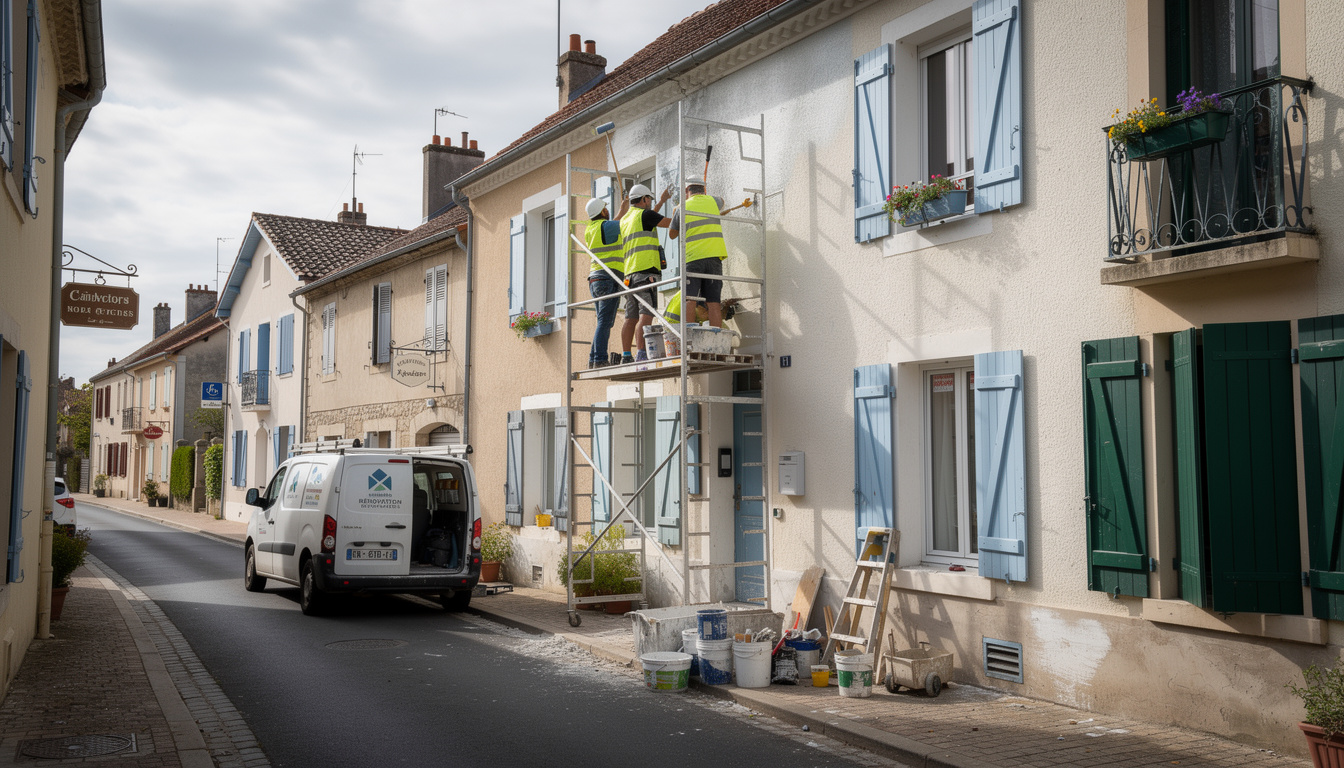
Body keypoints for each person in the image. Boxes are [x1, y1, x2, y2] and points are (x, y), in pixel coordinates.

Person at [618, 183, 672, 362]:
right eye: (650, 200)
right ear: (644, 199)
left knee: (630, 317)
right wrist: (682, 211)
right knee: (646, 313)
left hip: (630, 275)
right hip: (646, 272)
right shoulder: (646, 215)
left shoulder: (626, 219)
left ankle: (627, 355)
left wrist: (663, 201)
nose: (650, 203)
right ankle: (641, 353)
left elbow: (649, 217)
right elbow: (669, 224)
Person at [668, 176, 728, 328]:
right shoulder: (714, 202)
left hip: (693, 259)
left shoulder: (682, 208)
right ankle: (716, 337)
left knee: (690, 299)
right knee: (714, 302)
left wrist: (678, 210)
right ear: (704, 189)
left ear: (687, 190)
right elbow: (722, 200)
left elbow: (672, 234)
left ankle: (690, 335)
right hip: (714, 258)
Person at [583, 195, 628, 368]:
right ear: (602, 211)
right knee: (605, 321)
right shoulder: (606, 226)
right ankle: (600, 359)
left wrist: (622, 209)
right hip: (608, 277)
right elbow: (624, 224)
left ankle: (594, 359)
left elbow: (614, 224)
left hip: (595, 278)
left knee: (602, 321)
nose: (607, 210)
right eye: (605, 208)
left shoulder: (592, 228)